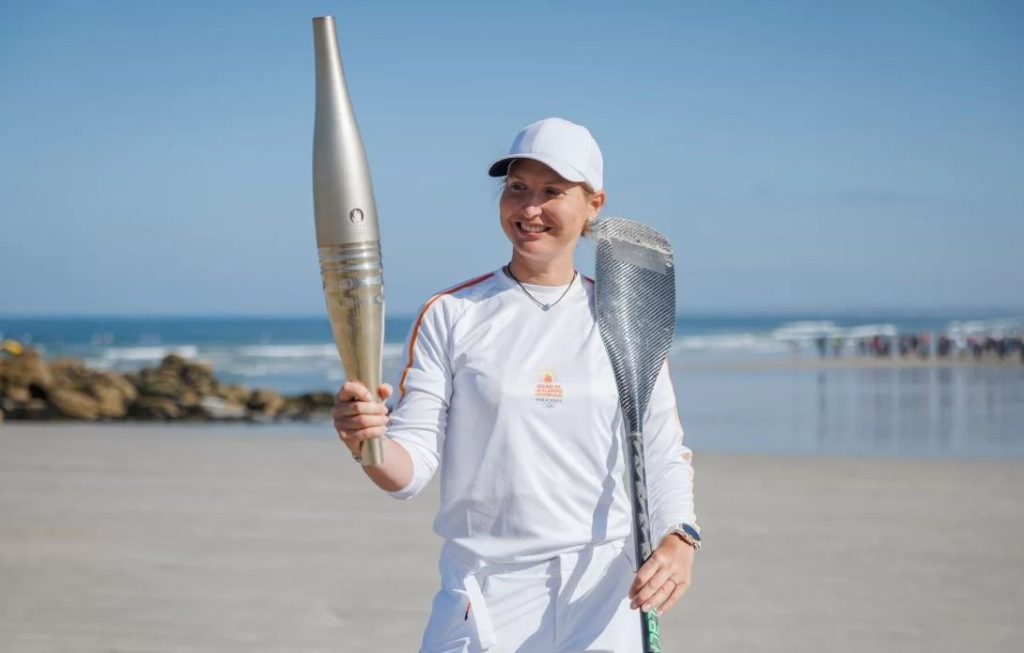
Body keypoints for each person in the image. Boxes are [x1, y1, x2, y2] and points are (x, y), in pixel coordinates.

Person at [332, 117, 699, 652]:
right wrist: (367, 443)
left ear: (594, 203)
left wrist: (680, 538)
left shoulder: (626, 315)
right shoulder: (453, 314)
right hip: (483, 593)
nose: (530, 209)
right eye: (517, 188)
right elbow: (407, 472)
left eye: (552, 192)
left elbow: (662, 450)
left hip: (601, 594)